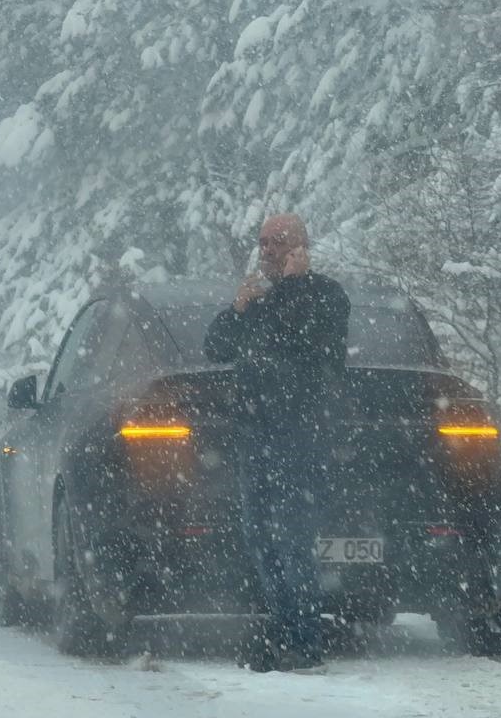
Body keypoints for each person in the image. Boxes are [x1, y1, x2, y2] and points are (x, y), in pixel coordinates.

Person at [203, 213, 350, 672]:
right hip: (256, 438)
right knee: (262, 541)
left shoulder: (324, 295)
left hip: (300, 439)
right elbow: (216, 347)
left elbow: (305, 336)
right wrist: (238, 309)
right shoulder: (260, 303)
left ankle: (306, 643)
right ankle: (283, 635)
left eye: (278, 241)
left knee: (293, 541)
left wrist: (294, 285)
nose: (266, 249)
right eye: (263, 241)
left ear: (300, 247)